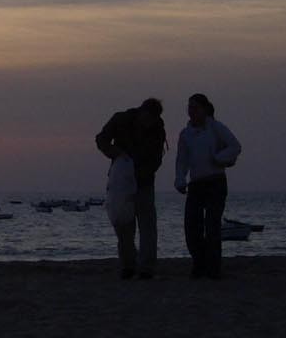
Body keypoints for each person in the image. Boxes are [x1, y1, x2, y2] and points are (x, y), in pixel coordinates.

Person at [173, 92, 243, 280]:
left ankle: (213, 268)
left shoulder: (216, 128)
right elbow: (182, 160)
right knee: (191, 226)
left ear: (204, 109)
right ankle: (199, 263)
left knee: (212, 226)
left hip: (215, 181)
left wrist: (219, 158)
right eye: (189, 107)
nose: (191, 111)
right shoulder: (186, 134)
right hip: (196, 184)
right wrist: (180, 179)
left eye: (195, 107)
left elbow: (235, 146)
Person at [96, 97, 167, 279]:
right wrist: (117, 154)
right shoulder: (121, 119)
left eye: (152, 120)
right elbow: (101, 139)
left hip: (144, 182)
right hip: (120, 181)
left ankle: (146, 268)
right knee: (123, 225)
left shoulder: (158, 128)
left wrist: (140, 173)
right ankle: (128, 265)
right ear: (141, 112)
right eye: (147, 119)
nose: (148, 123)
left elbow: (157, 158)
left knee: (148, 226)